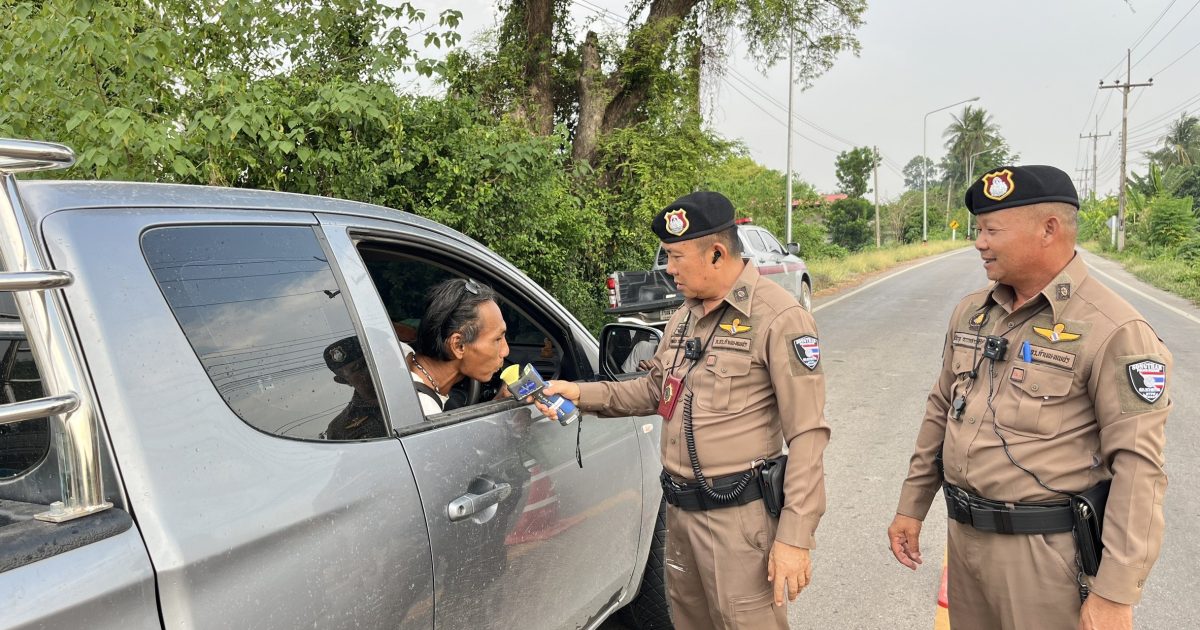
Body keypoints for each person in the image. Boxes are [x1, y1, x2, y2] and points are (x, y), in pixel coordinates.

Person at [887, 165, 1172, 630]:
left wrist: (1115, 593)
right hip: (965, 542)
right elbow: (941, 409)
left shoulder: (1115, 329)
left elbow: (1139, 468)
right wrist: (911, 504)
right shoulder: (972, 313)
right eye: (978, 229)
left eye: (992, 230)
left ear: (1049, 229)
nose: (979, 242)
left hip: (1045, 560)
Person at [535, 191, 829, 629]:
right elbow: (653, 391)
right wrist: (578, 393)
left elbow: (807, 434)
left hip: (738, 521)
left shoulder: (778, 317)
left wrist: (794, 538)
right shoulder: (683, 318)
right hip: (680, 514)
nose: (668, 269)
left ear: (716, 253)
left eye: (676, 257)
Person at [402, 278, 510, 414]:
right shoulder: (424, 412)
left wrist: (498, 403)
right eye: (497, 339)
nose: (505, 351)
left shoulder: (399, 351)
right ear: (458, 345)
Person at [321, 335, 386, 440]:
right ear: (343, 380)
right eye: (359, 368)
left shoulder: (409, 389)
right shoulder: (340, 428)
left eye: (370, 363)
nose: (369, 369)